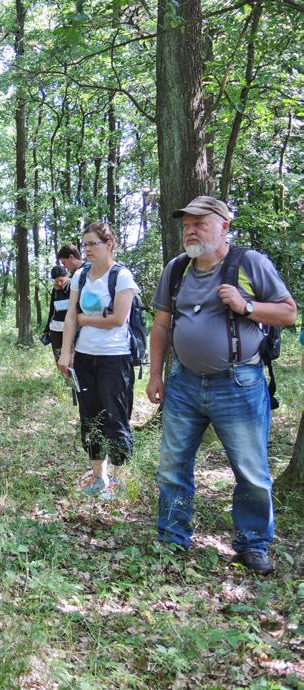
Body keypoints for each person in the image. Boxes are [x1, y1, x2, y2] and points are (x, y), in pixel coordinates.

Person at [146, 196, 297, 574]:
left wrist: (247, 306)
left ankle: (253, 544)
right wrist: (154, 374)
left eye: (200, 222)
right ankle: (172, 538)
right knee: (172, 465)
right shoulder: (177, 269)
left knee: (250, 470)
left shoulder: (250, 263)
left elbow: (289, 313)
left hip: (239, 384)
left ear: (225, 226)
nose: (191, 229)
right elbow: (162, 325)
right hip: (183, 383)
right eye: (186, 224)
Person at [58, 222, 138, 500]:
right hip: (84, 357)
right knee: (89, 417)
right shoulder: (80, 276)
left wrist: (86, 319)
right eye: (86, 244)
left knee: (115, 417)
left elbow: (118, 318)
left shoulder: (122, 276)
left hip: (114, 359)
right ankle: (96, 476)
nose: (88, 249)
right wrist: (66, 353)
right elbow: (70, 316)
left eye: (94, 243)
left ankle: (117, 480)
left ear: (109, 244)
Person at [41, 265, 71, 364]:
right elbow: (52, 310)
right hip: (55, 328)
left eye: (61, 280)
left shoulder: (73, 286)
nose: (59, 283)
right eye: (56, 281)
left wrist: (61, 291)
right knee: (59, 357)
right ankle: (66, 379)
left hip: (70, 328)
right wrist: (46, 330)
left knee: (71, 358)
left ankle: (73, 379)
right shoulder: (55, 289)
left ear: (67, 275)